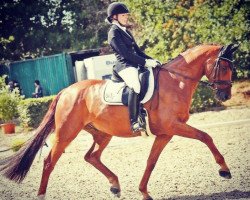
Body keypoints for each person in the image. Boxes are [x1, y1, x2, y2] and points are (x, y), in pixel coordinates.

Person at [106, 2, 160, 133]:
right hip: (124, 65)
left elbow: (138, 51)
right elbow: (125, 54)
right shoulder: (113, 33)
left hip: (134, 63)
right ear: (114, 17)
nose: (126, 17)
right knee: (135, 85)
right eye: (123, 15)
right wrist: (145, 63)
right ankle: (134, 122)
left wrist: (152, 60)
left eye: (126, 15)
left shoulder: (126, 31)